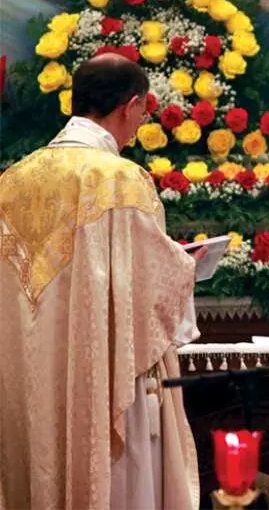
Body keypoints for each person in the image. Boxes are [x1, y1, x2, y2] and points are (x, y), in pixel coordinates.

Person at [0, 53, 203, 509]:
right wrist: (188, 264)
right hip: (104, 374)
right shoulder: (119, 179)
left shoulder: (11, 181)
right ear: (131, 106)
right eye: (142, 112)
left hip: (31, 378)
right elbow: (150, 286)